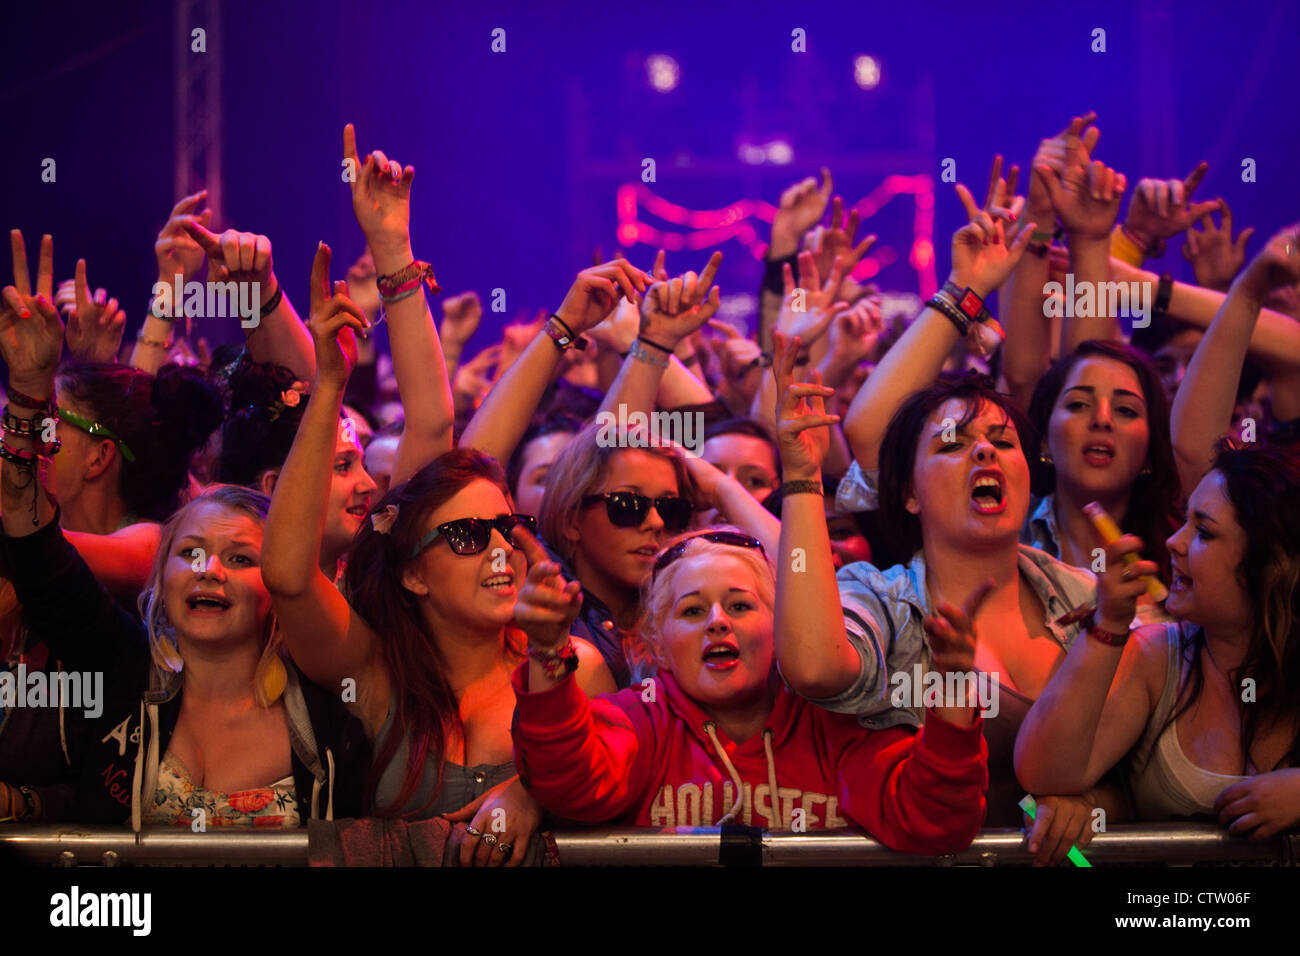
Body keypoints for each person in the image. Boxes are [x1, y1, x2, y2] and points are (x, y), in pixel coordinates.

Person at [508, 349, 988, 853]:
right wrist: (545, 654)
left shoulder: (836, 726)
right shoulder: (640, 721)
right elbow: (572, 785)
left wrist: (953, 686)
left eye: (739, 606)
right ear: (657, 643)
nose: (717, 622)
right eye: (692, 611)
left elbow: (934, 820)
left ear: (781, 627)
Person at [262, 245, 614, 865]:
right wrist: (329, 388)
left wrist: (532, 795)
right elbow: (289, 579)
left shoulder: (573, 665)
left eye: (508, 528)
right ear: (413, 574)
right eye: (468, 536)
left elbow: (611, 790)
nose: (502, 548)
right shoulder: (376, 675)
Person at [0, 264, 367, 826]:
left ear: (276, 583)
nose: (209, 570)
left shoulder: (332, 715)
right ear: (160, 577)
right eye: (190, 552)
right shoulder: (121, 674)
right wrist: (27, 393)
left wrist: (331, 385)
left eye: (240, 558)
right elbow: (33, 549)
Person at [1016, 440, 1300, 838]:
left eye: (1203, 531)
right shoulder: (1158, 655)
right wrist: (1109, 624)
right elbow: (1041, 772)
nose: (1173, 542)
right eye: (1183, 521)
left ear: (1270, 565)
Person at [1025, 340, 1181, 595]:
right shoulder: (1005, 535)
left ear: (1150, 454)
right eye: (1078, 404)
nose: (1102, 419)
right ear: (1044, 440)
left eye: (1125, 410)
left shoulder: (1181, 557)